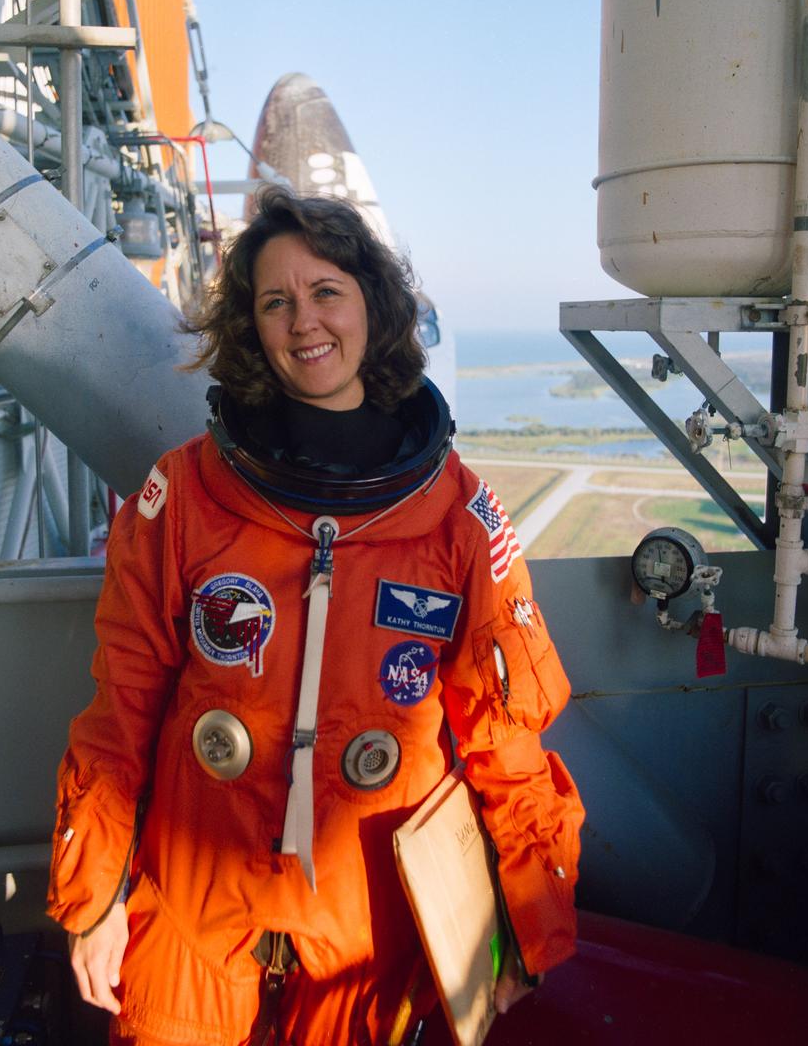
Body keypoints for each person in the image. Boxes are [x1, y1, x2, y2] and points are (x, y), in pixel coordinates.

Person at [47, 187, 584, 1045]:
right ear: (253, 331)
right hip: (191, 917)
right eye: (275, 302)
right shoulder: (182, 496)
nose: (305, 321)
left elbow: (505, 740)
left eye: (326, 291)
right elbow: (121, 718)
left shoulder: (455, 515)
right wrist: (95, 899)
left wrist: (529, 918)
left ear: (372, 304)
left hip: (369, 939)